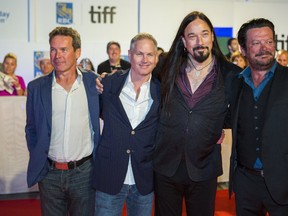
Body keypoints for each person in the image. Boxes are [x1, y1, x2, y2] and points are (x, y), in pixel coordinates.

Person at [152, 11, 241, 216]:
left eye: (204, 34)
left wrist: (216, 125)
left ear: (212, 37)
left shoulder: (231, 75)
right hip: (166, 165)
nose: (199, 41)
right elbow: (145, 89)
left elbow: (238, 112)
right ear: (183, 41)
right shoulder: (166, 67)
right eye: (192, 36)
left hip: (204, 167)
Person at [25, 26, 100, 216]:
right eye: (53, 49)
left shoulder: (95, 84)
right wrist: (39, 156)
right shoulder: (36, 88)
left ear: (77, 52)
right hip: (49, 175)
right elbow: (31, 129)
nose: (57, 55)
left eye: (63, 49)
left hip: (84, 174)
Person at [93, 32, 160, 216]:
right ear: (129, 55)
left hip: (144, 178)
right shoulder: (107, 84)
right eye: (139, 54)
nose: (144, 59)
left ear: (156, 58)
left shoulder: (162, 91)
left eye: (150, 54)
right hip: (110, 175)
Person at [229, 18, 288, 215]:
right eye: (256, 43)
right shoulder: (235, 83)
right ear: (243, 49)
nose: (265, 48)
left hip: (283, 181)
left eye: (269, 41)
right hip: (245, 182)